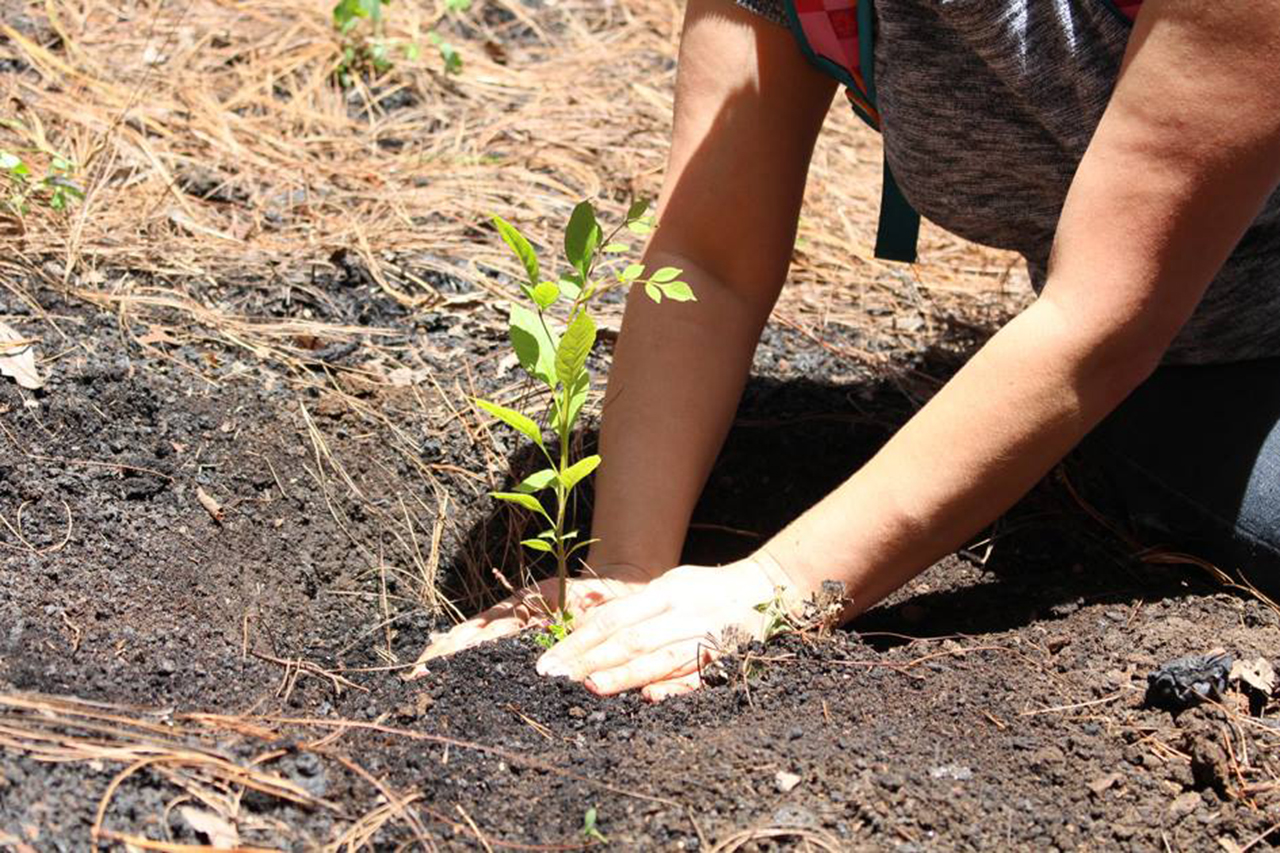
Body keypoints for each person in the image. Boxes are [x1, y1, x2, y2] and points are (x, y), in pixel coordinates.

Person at [413, 0, 1280, 701]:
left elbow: (1101, 319)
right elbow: (707, 262)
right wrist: (626, 577)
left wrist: (774, 586)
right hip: (1187, 354)